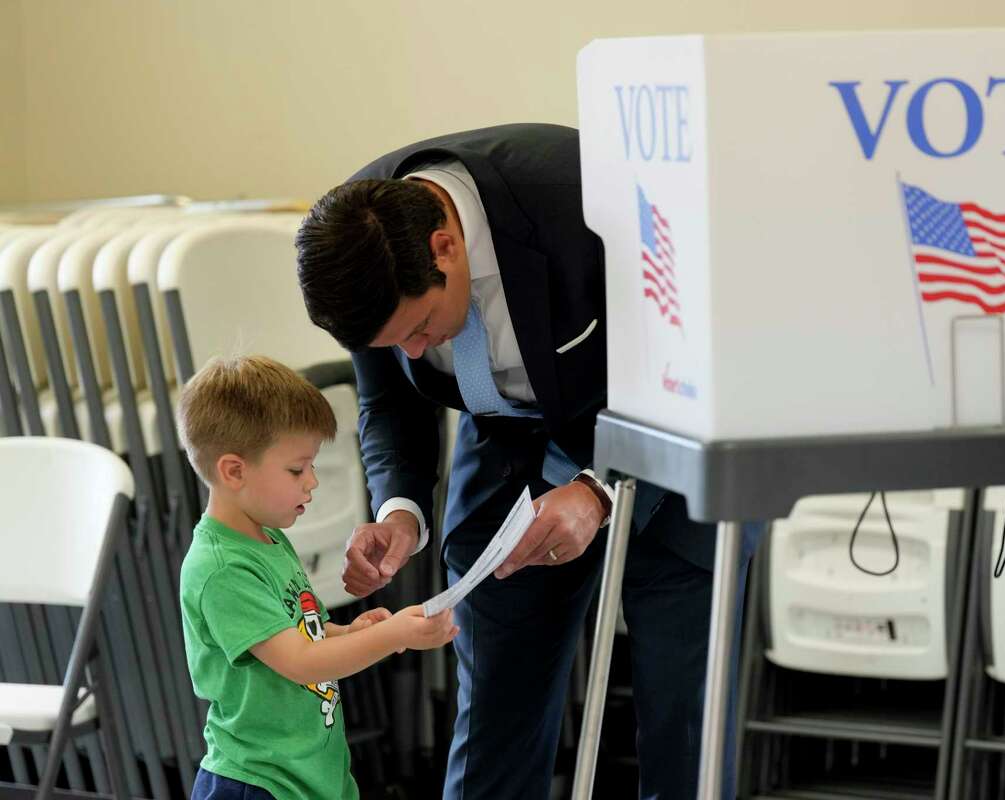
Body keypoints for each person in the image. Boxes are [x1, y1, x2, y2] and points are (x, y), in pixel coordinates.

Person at [295, 123, 759, 800]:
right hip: (506, 448)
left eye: (420, 326)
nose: (417, 351)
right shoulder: (355, 248)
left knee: (683, 724)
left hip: (666, 436)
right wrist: (399, 511)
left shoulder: (590, 200)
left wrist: (597, 489)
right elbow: (389, 400)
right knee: (493, 721)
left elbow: (694, 362)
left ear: (445, 246)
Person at [176, 354, 458, 800]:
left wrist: (348, 631)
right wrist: (393, 636)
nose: (312, 482)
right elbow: (301, 662)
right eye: (296, 469)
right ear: (234, 470)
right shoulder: (222, 568)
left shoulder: (268, 539)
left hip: (309, 774)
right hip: (258, 782)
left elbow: (304, 633)